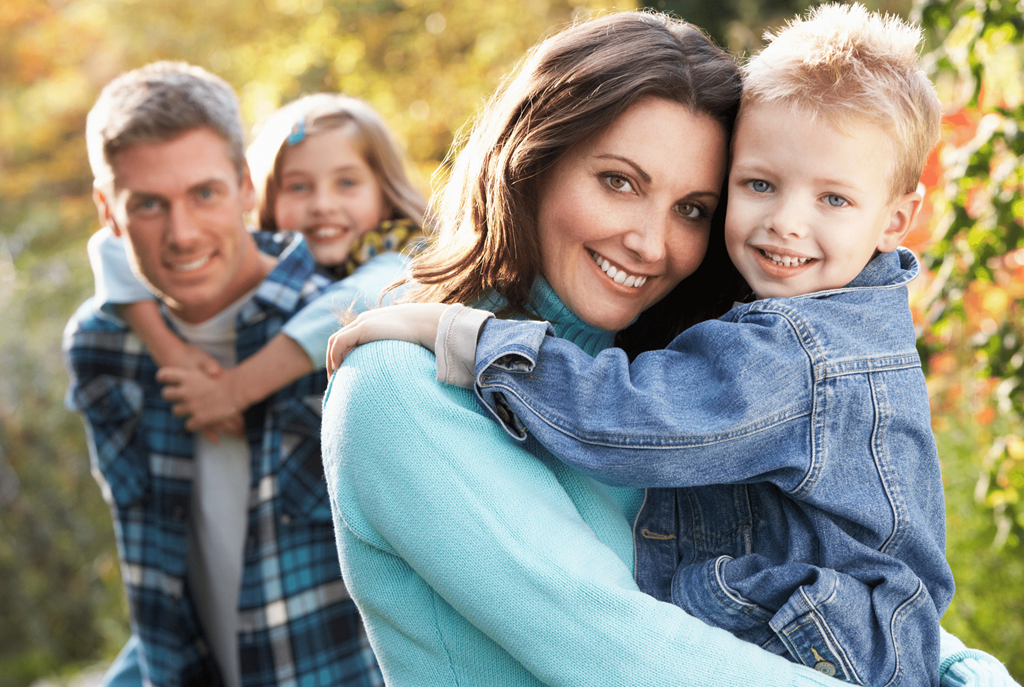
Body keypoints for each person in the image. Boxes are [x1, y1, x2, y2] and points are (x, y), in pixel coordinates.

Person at [323, 9, 1022, 687]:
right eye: (619, 181)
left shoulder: (679, 386)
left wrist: (965, 670)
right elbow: (623, 651)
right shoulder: (398, 385)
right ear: (532, 161)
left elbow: (850, 592)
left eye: (693, 209)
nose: (652, 242)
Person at [63, 63, 387, 687]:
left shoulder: (349, 331)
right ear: (107, 209)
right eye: (149, 205)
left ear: (244, 186)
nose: (182, 235)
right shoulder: (104, 346)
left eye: (204, 194)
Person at [87, 91, 426, 438]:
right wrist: (172, 353)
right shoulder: (254, 253)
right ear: (261, 195)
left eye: (347, 183)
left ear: (385, 193)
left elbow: (356, 302)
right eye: (298, 187)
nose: (323, 204)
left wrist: (232, 391)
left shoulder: (409, 253)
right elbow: (109, 245)